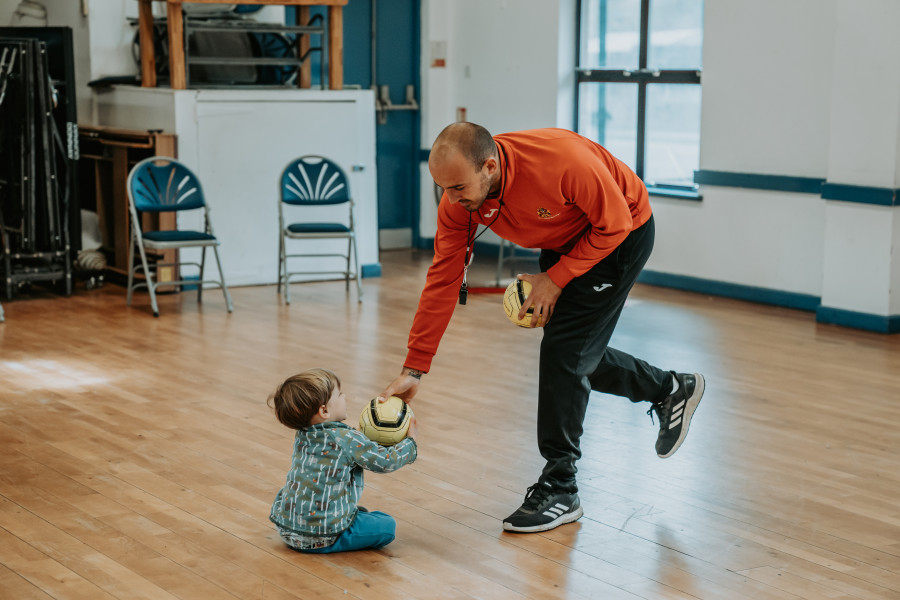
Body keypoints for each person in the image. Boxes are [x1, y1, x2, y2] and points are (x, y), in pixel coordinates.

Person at [378, 123, 705, 534]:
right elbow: (443, 280)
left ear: (490, 167)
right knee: (572, 354)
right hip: (566, 235)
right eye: (442, 188)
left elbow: (615, 224)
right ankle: (671, 389)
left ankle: (561, 486)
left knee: (565, 355)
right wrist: (414, 369)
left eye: (458, 186)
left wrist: (556, 278)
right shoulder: (459, 202)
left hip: (620, 234)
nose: (451, 199)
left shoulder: (562, 162)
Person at [269, 368, 418, 552]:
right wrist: (409, 444)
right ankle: (336, 534)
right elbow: (386, 461)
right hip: (323, 537)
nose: (344, 396)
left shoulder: (303, 435)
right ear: (324, 410)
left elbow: (337, 445)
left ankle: (335, 520)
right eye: (339, 395)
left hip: (287, 529)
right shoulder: (346, 438)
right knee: (387, 525)